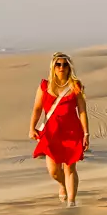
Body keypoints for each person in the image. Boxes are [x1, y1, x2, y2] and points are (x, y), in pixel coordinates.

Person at [28, 52, 90, 206]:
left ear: (69, 67)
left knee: (70, 168)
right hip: (52, 133)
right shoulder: (44, 86)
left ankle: (71, 202)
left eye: (65, 64)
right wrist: (31, 127)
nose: (62, 67)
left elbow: (82, 111)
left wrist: (86, 133)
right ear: (53, 67)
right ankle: (62, 185)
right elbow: (37, 109)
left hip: (72, 132)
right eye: (58, 64)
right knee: (54, 171)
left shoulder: (76, 86)